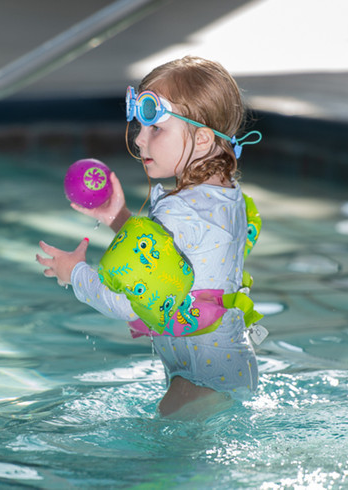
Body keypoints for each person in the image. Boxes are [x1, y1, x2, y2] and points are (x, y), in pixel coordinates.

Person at [36, 56, 262, 418]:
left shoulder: (178, 211)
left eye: (156, 128)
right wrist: (118, 218)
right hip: (231, 371)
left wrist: (74, 273)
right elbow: (173, 261)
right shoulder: (226, 196)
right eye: (140, 126)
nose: (140, 139)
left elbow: (130, 301)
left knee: (163, 472)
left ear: (202, 139)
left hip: (196, 388)